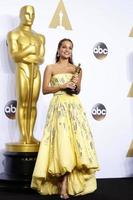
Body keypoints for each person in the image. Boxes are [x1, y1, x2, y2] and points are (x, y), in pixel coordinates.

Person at [31, 38, 99, 198]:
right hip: (58, 107)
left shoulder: (77, 69)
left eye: (70, 48)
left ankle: (66, 184)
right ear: (59, 49)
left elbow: (77, 91)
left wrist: (75, 85)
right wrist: (63, 86)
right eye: (64, 47)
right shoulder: (50, 67)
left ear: (71, 51)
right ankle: (61, 183)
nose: (67, 50)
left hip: (74, 109)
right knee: (62, 143)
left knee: (74, 144)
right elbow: (45, 90)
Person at [7, 5, 45, 144]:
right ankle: (23, 135)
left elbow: (41, 58)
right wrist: (29, 50)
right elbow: (15, 56)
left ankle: (31, 135)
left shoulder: (39, 37)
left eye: (33, 14)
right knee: (23, 103)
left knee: (33, 104)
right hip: (23, 70)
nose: (30, 17)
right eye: (27, 14)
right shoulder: (14, 34)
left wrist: (29, 56)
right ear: (21, 15)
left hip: (35, 71)